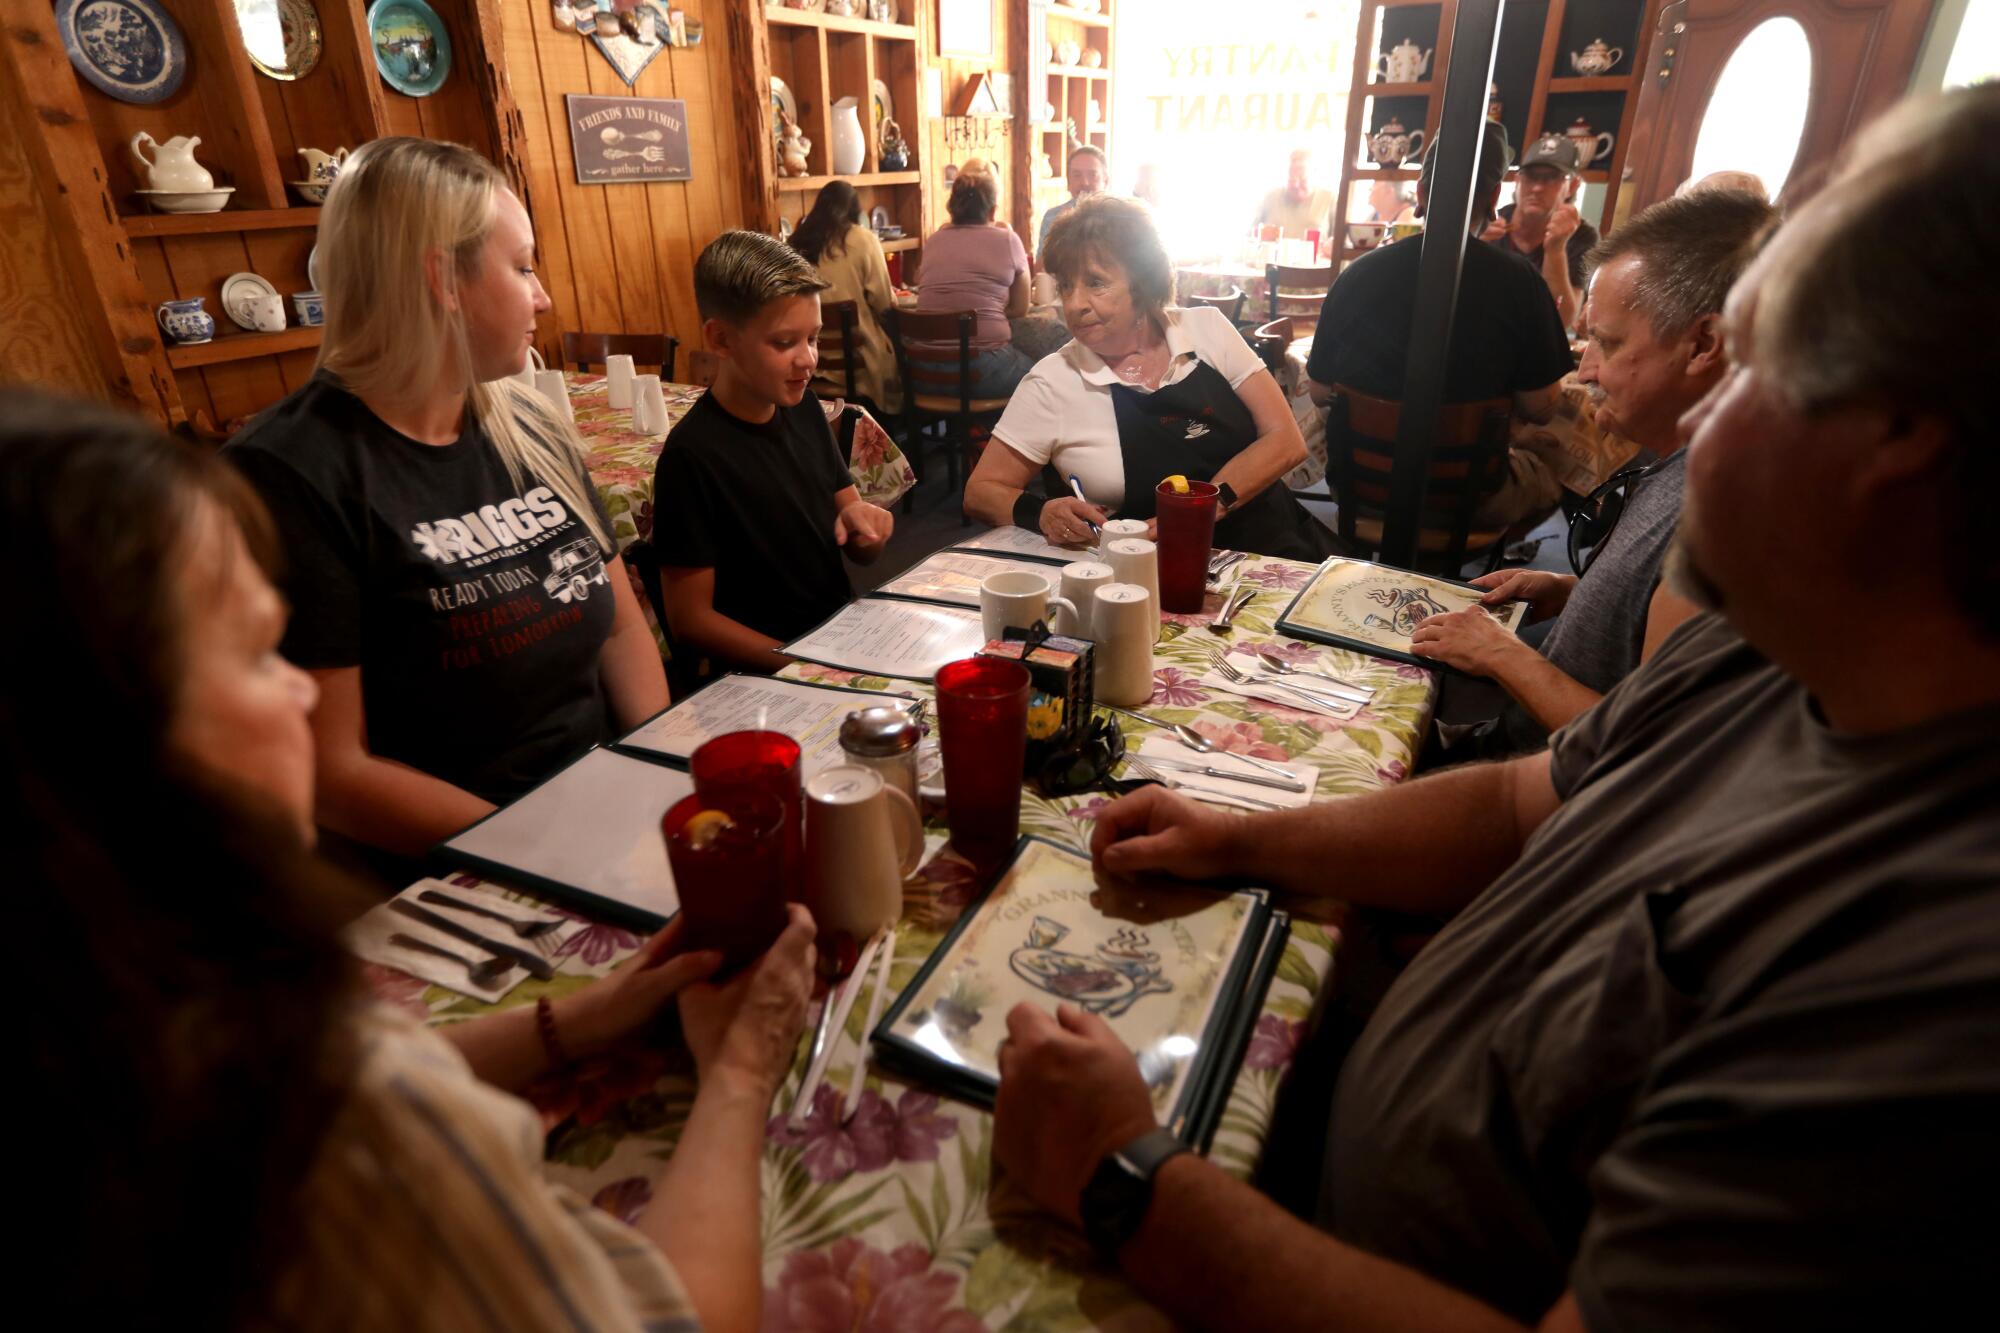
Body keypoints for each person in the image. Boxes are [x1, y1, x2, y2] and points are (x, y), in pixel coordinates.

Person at [990, 86, 2000, 1331]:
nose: (1700, 407)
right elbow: (1527, 797)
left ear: (1890, 436)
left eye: (1752, 360)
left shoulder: (1931, 989)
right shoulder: (1768, 658)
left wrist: (1120, 1177)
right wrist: (1239, 832)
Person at [15, 389, 817, 1330]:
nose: (296, 694)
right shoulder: (344, 1147)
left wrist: (591, 1016)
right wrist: (741, 1073)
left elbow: (347, 1053)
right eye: (255, 652)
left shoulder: (127, 1018)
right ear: (95, 749)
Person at [226, 138, 669, 862]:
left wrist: (656, 768)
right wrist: (545, 846)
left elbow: (621, 630)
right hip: (453, 866)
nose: (543, 295)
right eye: (523, 266)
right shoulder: (287, 476)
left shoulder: (529, 426)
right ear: (444, 279)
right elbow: (335, 772)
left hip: (598, 811)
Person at [1414, 188, 1778, 762]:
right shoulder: (1689, 464)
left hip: (1537, 797)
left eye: (1607, 343)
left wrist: (1501, 654)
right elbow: (1655, 615)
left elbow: (1646, 752)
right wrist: (1569, 590)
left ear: (1704, 343)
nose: (1585, 370)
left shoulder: (1725, 524)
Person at [963, 195, 1334, 561]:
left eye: (1095, 282)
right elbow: (981, 491)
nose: (1074, 304)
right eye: (1065, 286)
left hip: (1273, 547)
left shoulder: (1208, 329)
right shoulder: (1053, 381)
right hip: (1157, 567)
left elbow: (1286, 440)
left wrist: (1207, 505)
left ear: (1142, 283)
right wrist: (1039, 511)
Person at [1306, 122, 1575, 531]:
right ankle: (1493, 570)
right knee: (1559, 460)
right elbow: (1541, 407)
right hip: (1472, 500)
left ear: (1420, 193)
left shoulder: (1357, 275)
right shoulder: (1520, 282)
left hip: (1361, 490)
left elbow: (1320, 392)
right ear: (1495, 196)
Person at [653, 230, 895, 675]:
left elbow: (855, 534)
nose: (808, 360)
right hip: (765, 668)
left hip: (834, 637)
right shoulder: (692, 456)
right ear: (721, 340)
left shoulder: (803, 406)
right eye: (785, 343)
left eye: (814, 339)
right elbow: (690, 620)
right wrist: (802, 662)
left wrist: (869, 530)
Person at [911, 171, 1034, 398]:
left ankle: (985, 428)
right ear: (993, 210)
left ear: (952, 207)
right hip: (980, 372)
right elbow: (1020, 308)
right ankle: (999, 431)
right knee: (1043, 375)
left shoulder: (934, 241)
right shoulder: (1007, 239)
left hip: (924, 374)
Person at [788, 179, 901, 413]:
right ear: (855, 211)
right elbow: (883, 304)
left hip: (809, 360)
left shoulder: (795, 243)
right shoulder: (862, 239)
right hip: (860, 364)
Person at [1481, 133, 1598, 326]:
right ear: (1517, 181)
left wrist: (1555, 249)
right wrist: (1473, 243)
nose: (1536, 188)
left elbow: (1563, 320)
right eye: (1530, 177)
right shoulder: (1488, 224)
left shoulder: (1581, 236)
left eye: (1551, 178)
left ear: (1572, 186)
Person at [1253, 148, 1335, 239]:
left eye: (1303, 180)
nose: (1296, 185)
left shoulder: (1329, 200)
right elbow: (1251, 236)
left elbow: (1341, 244)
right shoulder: (1270, 198)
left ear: (1315, 175)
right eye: (1291, 180)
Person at [1038, 145, 1107, 249]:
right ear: (1068, 183)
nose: (1085, 182)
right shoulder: (1052, 217)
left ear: (1106, 181)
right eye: (1077, 175)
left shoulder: (1120, 218)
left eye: (1093, 174)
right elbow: (1040, 264)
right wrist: (1059, 231)